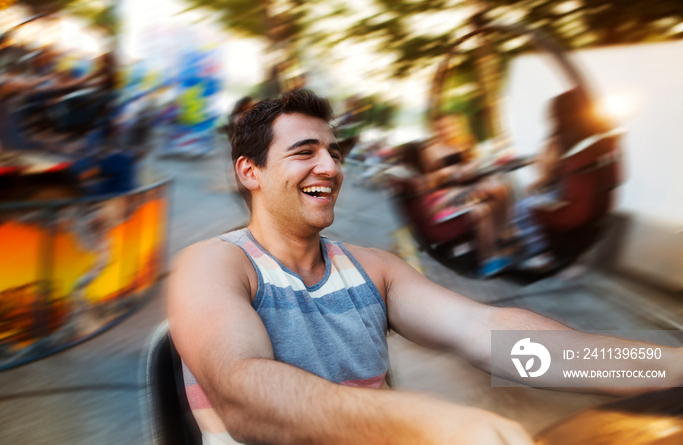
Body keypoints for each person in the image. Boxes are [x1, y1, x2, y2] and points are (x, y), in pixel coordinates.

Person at [169, 90, 681, 445]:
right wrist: (431, 424)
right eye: (305, 153)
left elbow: (493, 337)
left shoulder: (374, 269)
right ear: (249, 171)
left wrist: (661, 368)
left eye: (333, 152)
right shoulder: (213, 263)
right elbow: (244, 394)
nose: (330, 167)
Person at [513, 87, 611, 268]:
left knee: (523, 206)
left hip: (564, 196)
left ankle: (540, 252)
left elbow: (546, 176)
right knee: (529, 197)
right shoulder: (592, 139)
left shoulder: (559, 139)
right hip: (590, 200)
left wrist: (539, 164)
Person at [420, 113, 515, 277]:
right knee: (488, 203)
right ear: (436, 129)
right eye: (442, 127)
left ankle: (502, 233)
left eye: (450, 126)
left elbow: (471, 167)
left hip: (467, 185)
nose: (447, 130)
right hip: (449, 192)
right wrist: (446, 172)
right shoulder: (431, 150)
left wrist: (473, 167)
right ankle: (491, 253)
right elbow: (427, 182)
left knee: (501, 187)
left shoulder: (462, 145)